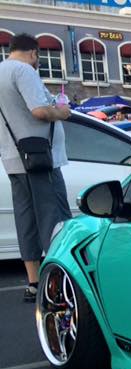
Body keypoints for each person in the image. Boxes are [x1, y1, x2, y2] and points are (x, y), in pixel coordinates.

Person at [0, 33, 71, 302]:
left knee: (26, 220)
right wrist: (62, 112)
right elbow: (39, 111)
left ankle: (34, 282)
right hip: (40, 159)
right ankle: (58, 283)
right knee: (54, 219)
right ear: (33, 53)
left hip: (13, 159)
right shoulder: (24, 71)